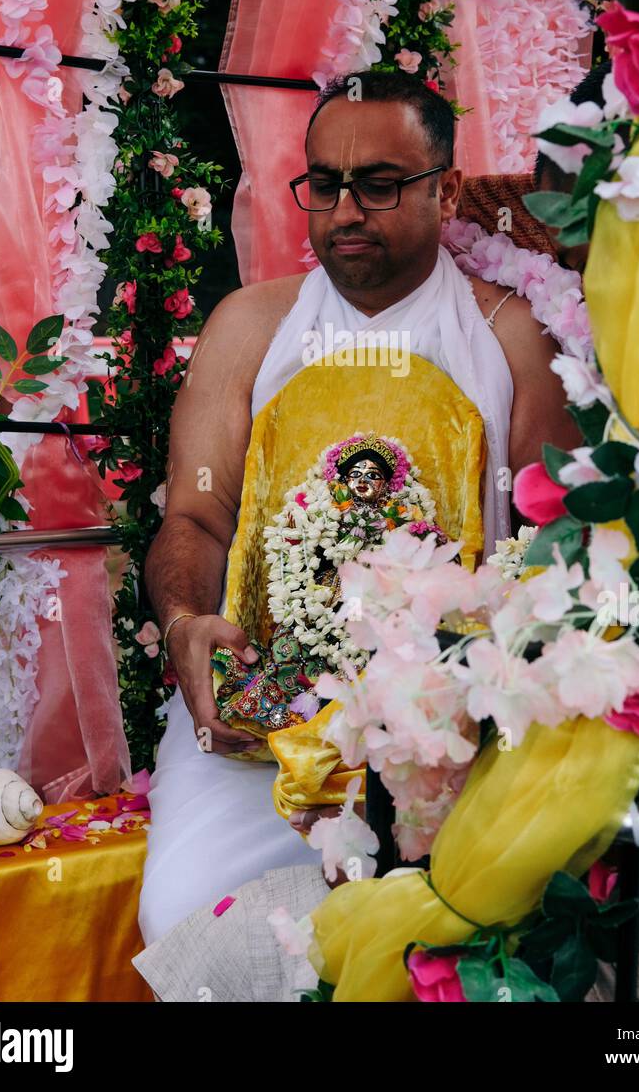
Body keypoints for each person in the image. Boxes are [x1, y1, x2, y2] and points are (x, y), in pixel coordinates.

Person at [138, 70, 576, 946]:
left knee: (419, 942)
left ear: (446, 190)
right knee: (185, 921)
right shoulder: (250, 326)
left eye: (379, 184)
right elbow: (196, 518)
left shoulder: (512, 334)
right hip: (257, 718)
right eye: (324, 185)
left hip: (443, 733)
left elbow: (555, 541)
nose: (344, 212)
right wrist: (187, 620)